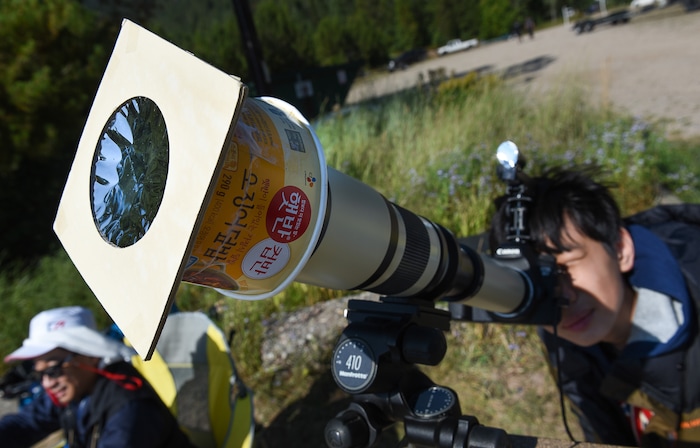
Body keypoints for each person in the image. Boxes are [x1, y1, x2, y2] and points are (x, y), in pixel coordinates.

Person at [489, 166, 700, 447]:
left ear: (621, 249)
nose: (563, 297)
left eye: (566, 267)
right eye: (540, 280)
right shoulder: (561, 334)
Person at [0, 306, 195, 448]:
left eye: (53, 370)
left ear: (90, 355)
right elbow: (24, 423)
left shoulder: (129, 411)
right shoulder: (75, 387)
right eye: (40, 374)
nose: (47, 383)